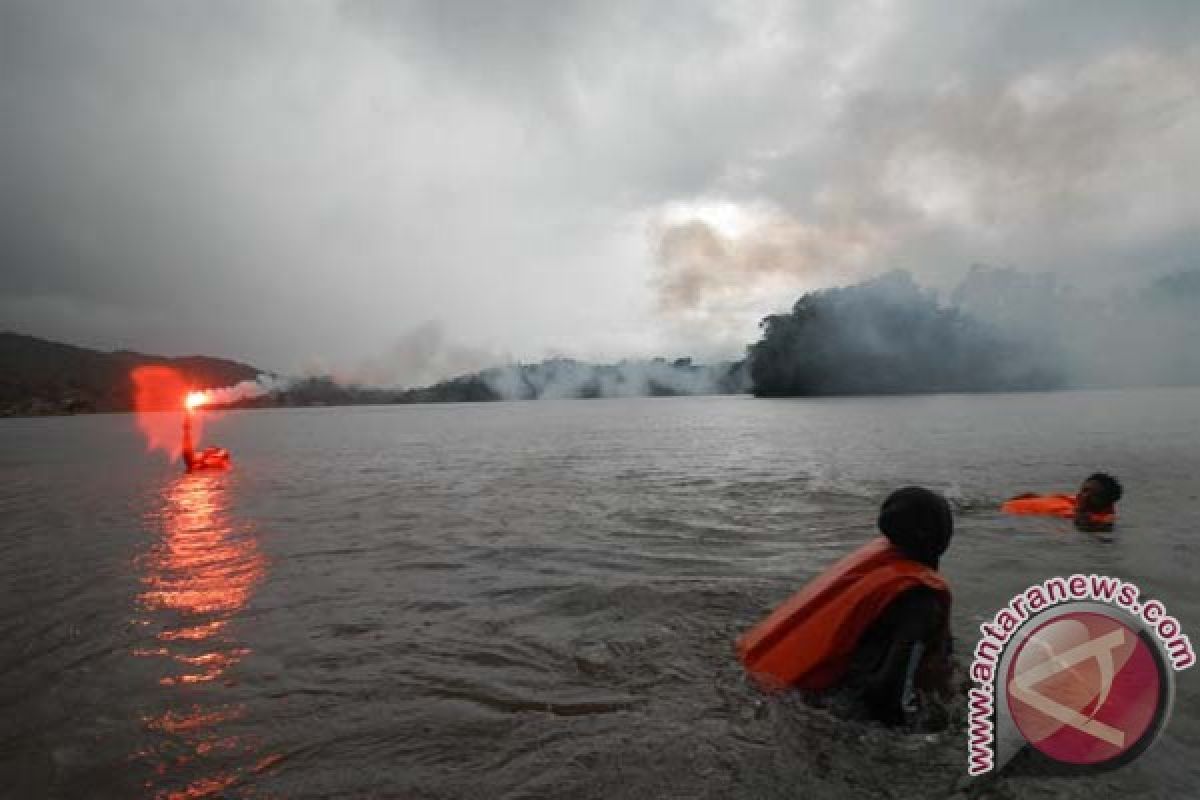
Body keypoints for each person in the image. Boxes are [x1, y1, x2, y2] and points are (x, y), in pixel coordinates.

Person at [737, 487, 954, 725]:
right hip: (842, 711)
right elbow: (888, 691)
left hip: (789, 688)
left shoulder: (879, 570)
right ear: (940, 535)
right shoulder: (922, 602)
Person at [1001, 473, 1122, 531]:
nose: (1083, 495)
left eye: (1093, 494)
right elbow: (1050, 500)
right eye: (1084, 490)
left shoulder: (1097, 518)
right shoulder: (1073, 500)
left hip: (1005, 517)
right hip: (1005, 507)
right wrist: (1033, 497)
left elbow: (1081, 526)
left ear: (1105, 501)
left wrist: (1081, 510)